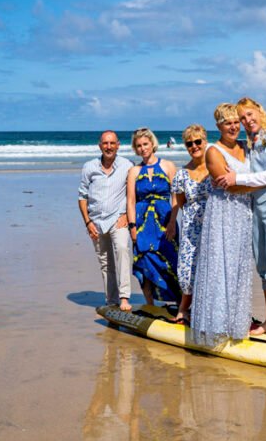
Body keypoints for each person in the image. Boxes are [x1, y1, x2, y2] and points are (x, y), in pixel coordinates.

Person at [215, 97, 266, 344]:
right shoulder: (253, 141)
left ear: (260, 111)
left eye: (250, 115)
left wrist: (237, 178)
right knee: (263, 266)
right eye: (242, 118)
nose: (247, 121)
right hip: (256, 204)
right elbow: (263, 174)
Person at [191, 104, 256, 346]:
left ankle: (235, 323)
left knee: (239, 267)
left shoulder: (246, 146)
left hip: (244, 213)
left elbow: (249, 176)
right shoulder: (212, 151)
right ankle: (216, 326)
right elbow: (230, 185)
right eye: (227, 122)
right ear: (218, 125)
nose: (233, 126)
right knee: (220, 266)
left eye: (236, 121)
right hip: (223, 214)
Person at [78, 130, 134, 311]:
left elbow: (133, 193)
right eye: (105, 143)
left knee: (123, 251)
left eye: (112, 143)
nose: (108, 147)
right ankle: (111, 299)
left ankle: (124, 297)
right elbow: (82, 197)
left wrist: (126, 214)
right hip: (96, 222)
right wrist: (88, 222)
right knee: (105, 262)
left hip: (118, 219)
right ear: (99, 145)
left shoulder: (127, 165)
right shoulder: (89, 167)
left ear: (118, 145)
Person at [126, 128, 180, 306]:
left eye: (145, 144)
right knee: (144, 261)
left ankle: (179, 303)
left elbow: (176, 197)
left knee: (170, 260)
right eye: (139, 146)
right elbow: (131, 201)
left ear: (152, 144)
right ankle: (150, 305)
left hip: (164, 221)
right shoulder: (134, 171)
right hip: (142, 224)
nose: (142, 148)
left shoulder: (168, 166)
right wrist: (132, 227)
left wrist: (172, 222)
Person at [165, 124, 211, 324]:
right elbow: (179, 202)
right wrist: (172, 223)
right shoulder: (182, 173)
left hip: (213, 226)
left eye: (198, 141)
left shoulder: (215, 167)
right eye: (189, 143)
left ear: (205, 141)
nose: (194, 146)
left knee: (210, 268)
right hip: (191, 226)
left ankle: (206, 310)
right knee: (186, 270)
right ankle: (184, 308)